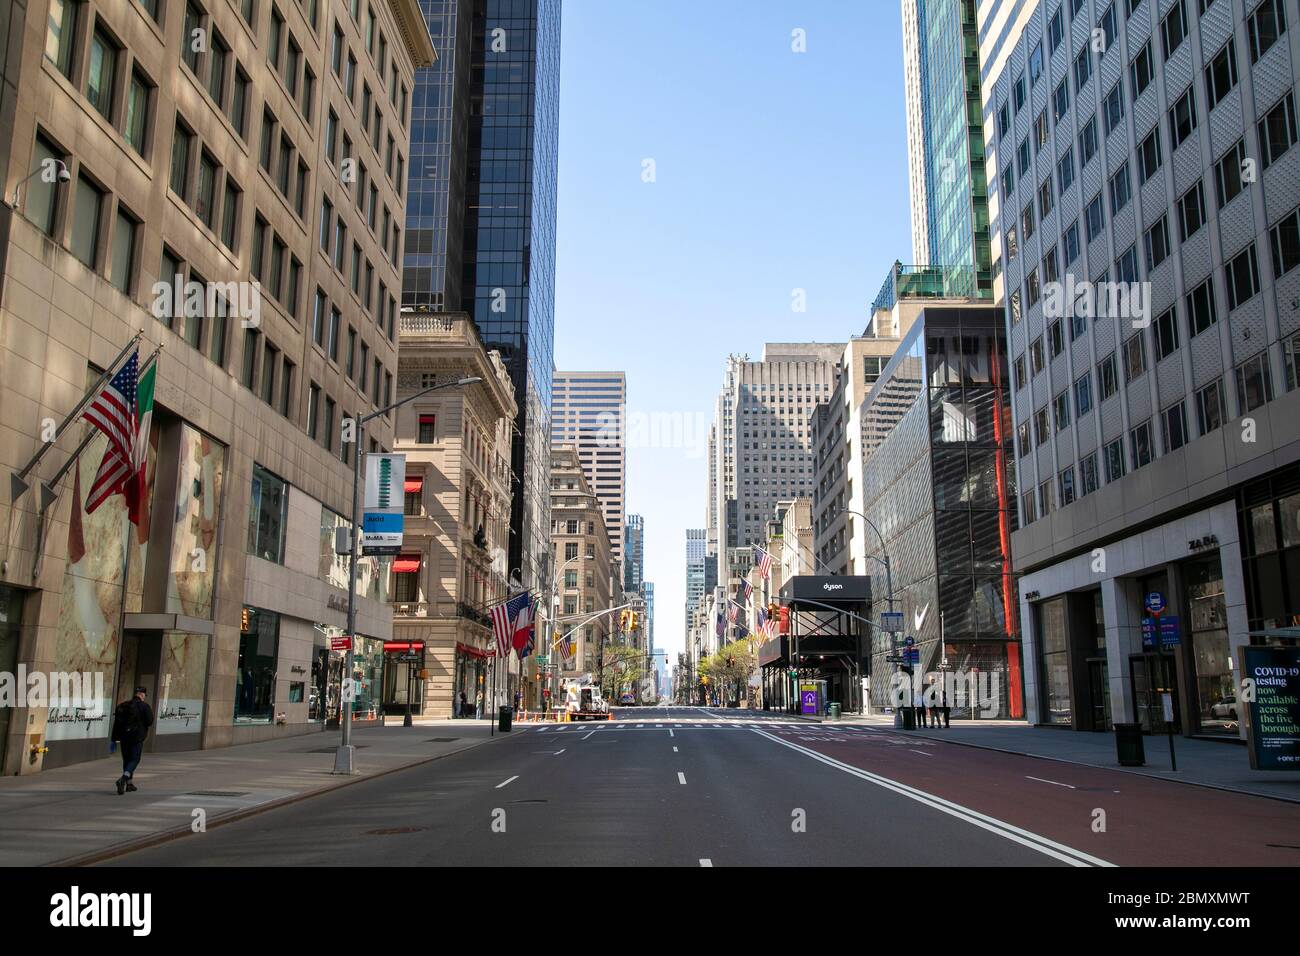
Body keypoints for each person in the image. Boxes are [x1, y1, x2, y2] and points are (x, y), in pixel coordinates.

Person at [110, 686, 153, 795]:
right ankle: (123, 779)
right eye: (144, 695)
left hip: (124, 737)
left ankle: (129, 784)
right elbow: (150, 721)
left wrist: (113, 739)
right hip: (137, 737)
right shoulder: (144, 706)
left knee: (127, 759)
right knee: (135, 759)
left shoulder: (123, 706)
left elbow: (116, 724)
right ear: (142, 695)